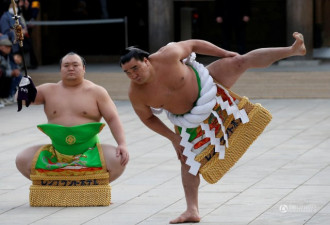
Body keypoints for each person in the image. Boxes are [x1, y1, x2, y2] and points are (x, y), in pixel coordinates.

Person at [120, 32, 306, 223]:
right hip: (188, 121)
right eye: (127, 72)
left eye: (135, 68)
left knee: (239, 61)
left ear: (146, 61)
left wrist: (223, 53)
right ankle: (192, 209)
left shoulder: (168, 54)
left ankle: (292, 50)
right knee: (188, 162)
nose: (133, 75)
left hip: (209, 85)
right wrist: (173, 138)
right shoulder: (136, 94)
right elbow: (148, 118)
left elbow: (194, 44)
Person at [15, 52, 129, 183]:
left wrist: (122, 144)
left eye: (75, 65)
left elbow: (112, 118)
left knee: (119, 160)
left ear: (84, 69)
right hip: (56, 151)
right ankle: (57, 185)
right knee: (22, 159)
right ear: (60, 69)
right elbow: (21, 100)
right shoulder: (48, 90)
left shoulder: (97, 92)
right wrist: (23, 87)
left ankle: (91, 185)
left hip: (89, 150)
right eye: (66, 65)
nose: (71, 68)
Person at [0, 34, 22, 106]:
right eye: (7, 47)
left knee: (18, 75)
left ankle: (8, 96)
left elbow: (9, 67)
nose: (9, 49)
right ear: (2, 47)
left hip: (5, 73)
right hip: (2, 74)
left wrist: (15, 71)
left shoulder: (7, 55)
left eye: (10, 47)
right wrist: (11, 73)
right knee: (5, 76)